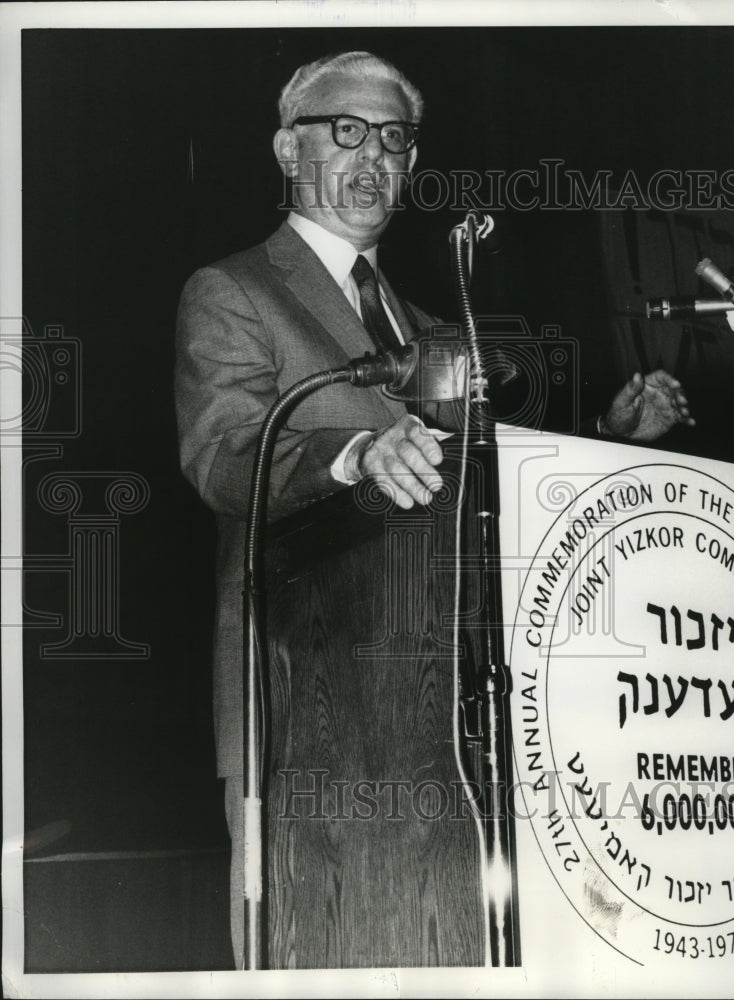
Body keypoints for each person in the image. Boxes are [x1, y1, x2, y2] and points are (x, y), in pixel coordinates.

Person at [174, 50, 694, 967]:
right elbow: (223, 459)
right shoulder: (233, 294)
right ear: (286, 148)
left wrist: (616, 442)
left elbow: (492, 493)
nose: (372, 154)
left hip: (444, 717)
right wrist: (354, 455)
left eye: (394, 138)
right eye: (345, 130)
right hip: (296, 709)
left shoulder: (439, 331)